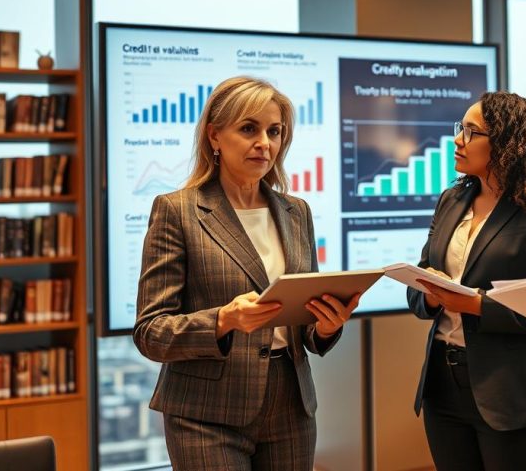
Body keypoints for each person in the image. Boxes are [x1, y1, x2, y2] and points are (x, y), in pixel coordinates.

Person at [134, 76, 360, 471]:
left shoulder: (296, 211)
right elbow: (151, 333)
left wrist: (326, 325)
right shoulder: (178, 210)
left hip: (290, 406)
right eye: (248, 129)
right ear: (214, 137)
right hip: (206, 413)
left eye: (274, 131)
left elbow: (304, 325)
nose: (265, 143)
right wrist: (223, 320)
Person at [407, 91, 526, 471]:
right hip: (444, 384)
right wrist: (434, 296)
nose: (458, 140)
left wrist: (473, 304)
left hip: (518, 393)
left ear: (508, 143)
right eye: (461, 129)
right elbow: (421, 282)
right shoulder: (453, 199)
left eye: (471, 132)